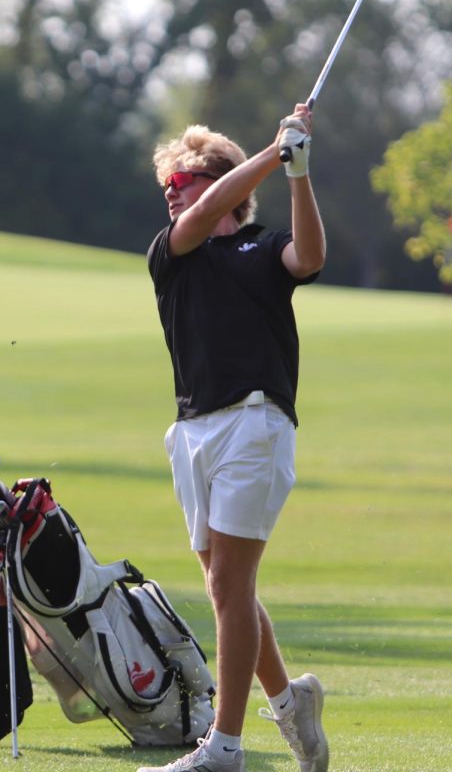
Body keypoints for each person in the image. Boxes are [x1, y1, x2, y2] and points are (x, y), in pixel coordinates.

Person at [139, 105, 328, 772]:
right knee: (228, 592)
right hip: (192, 432)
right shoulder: (174, 251)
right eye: (168, 182)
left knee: (230, 585)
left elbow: (309, 257)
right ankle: (291, 700)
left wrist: (297, 171)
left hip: (255, 421)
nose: (171, 190)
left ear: (221, 184)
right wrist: (275, 152)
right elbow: (199, 216)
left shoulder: (261, 245)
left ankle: (224, 747)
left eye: (182, 177)